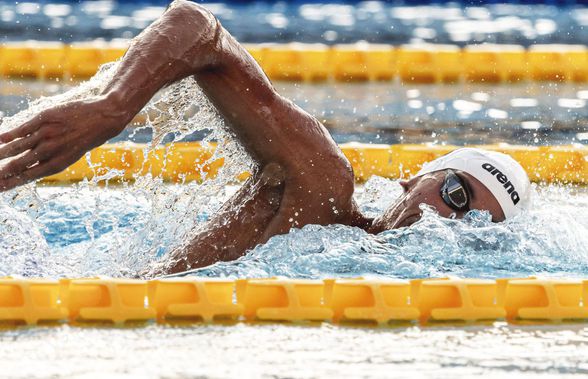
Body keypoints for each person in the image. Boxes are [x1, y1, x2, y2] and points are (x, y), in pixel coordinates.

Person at [0, 0, 530, 276]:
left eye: (477, 223)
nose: (450, 217)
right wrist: (112, 108)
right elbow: (196, 26)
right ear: (414, 176)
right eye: (456, 192)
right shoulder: (322, 188)